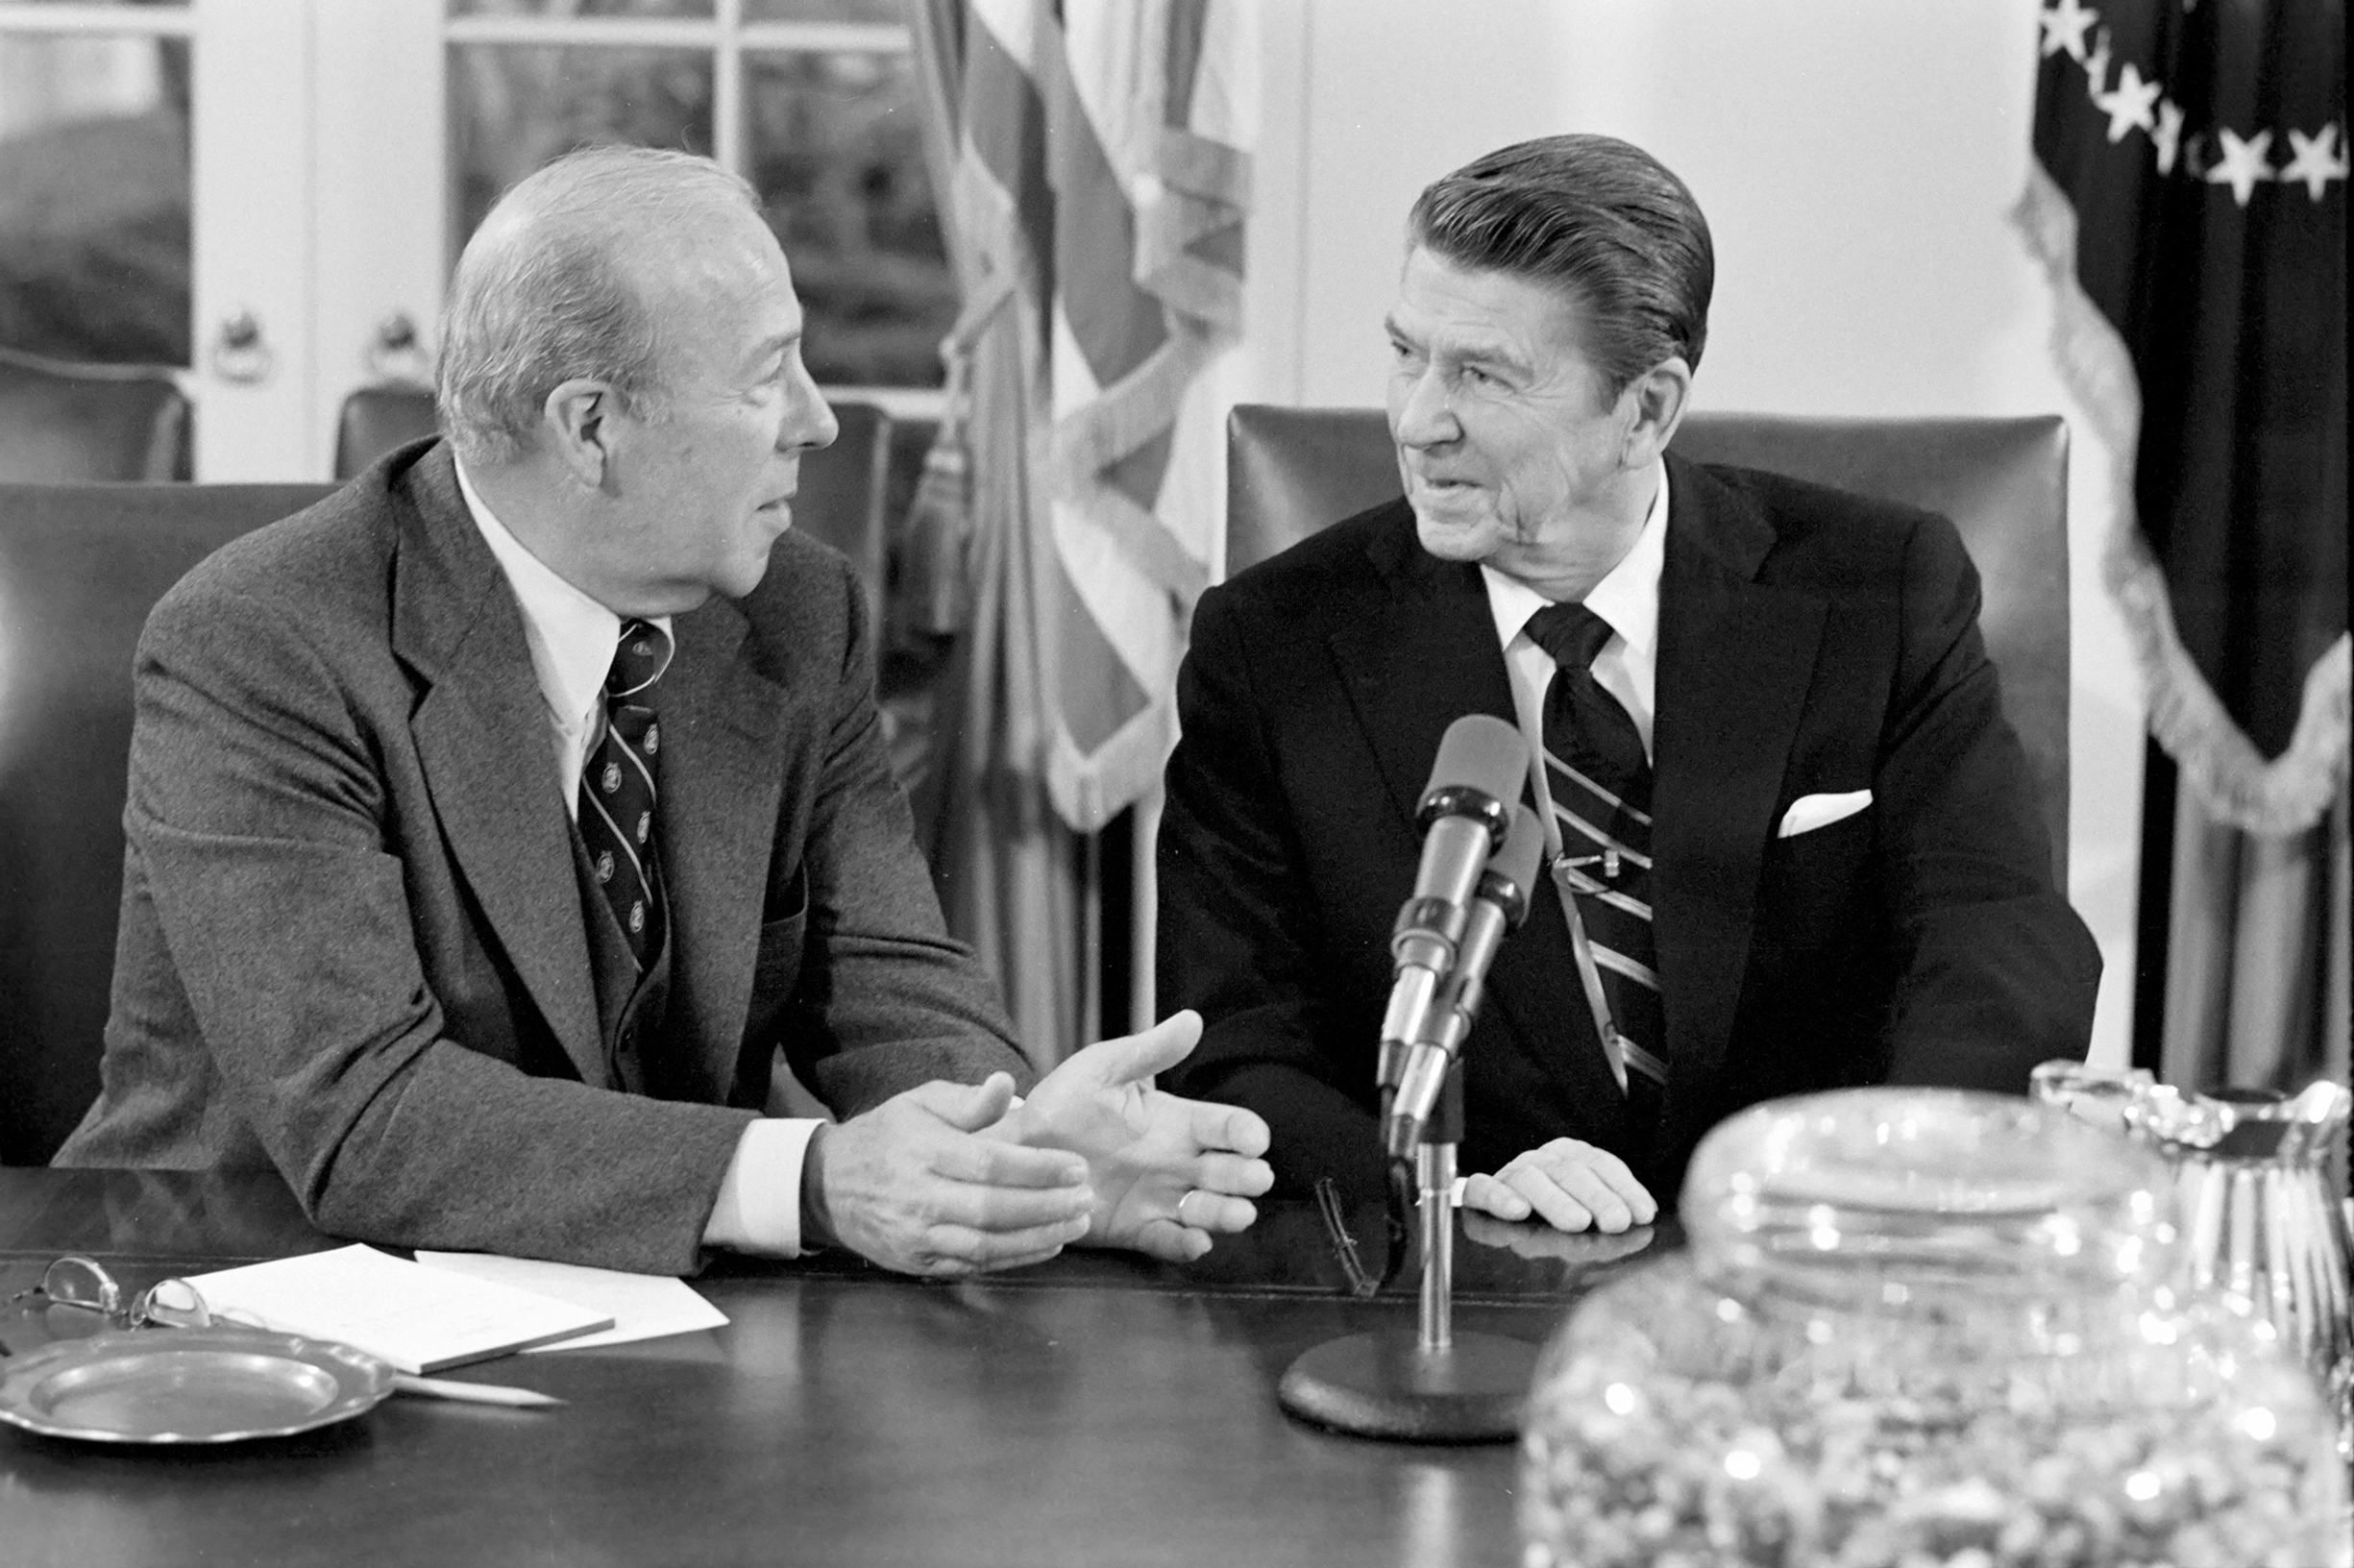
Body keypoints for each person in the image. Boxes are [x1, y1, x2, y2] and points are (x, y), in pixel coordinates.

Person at [56, 145, 1271, 1279]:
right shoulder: (264, 639)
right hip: (244, 1307)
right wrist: (813, 1183)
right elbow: (365, 1113)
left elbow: (885, 974)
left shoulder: (796, 609)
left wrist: (1017, 1160)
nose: (819, 418)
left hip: (646, 1321)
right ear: (590, 426)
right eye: (766, 376)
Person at [1157, 135, 2100, 1234]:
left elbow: (1996, 943)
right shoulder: (1273, 645)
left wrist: (1867, 1193)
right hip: (1457, 1290)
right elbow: (1230, 1047)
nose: (1416, 421)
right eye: (1405, 354)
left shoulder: (1875, 591)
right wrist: (1445, 1194)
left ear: (1645, 410)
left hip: (1808, 1273)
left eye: (1480, 374)